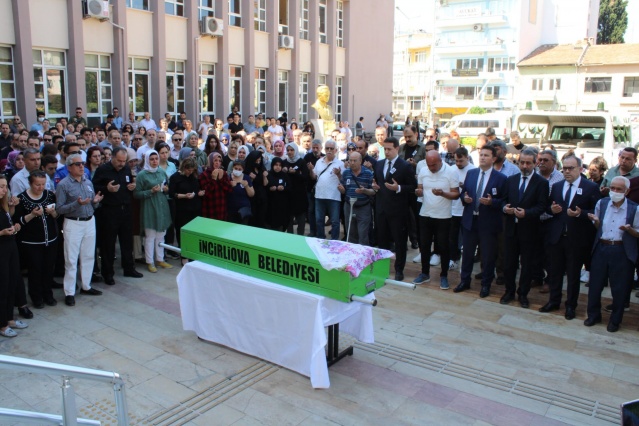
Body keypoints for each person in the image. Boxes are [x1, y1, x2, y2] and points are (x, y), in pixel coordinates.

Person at [539, 155, 601, 320]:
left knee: (573, 274)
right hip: (557, 236)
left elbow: (597, 211)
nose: (566, 171)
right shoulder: (557, 186)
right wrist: (552, 210)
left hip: (576, 238)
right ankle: (554, 301)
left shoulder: (590, 187)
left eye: (570, 168)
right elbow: (549, 206)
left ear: (580, 169)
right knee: (555, 272)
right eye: (564, 168)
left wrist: (581, 214)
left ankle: (571, 306)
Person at [584, 176, 638, 332]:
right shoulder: (602, 203)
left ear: (626, 191)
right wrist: (596, 221)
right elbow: (599, 226)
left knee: (619, 288)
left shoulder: (634, 208)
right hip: (601, 247)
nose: (614, 191)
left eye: (619, 189)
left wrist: (629, 230)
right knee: (595, 285)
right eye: (612, 188)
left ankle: (615, 320)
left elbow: (637, 232)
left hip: (621, 250)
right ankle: (593, 315)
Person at [454, 145, 507, 298]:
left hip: (488, 223)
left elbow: (504, 201)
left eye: (486, 155)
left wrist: (492, 202)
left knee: (488, 256)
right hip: (470, 220)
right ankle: (464, 280)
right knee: (467, 254)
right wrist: (464, 198)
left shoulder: (501, 178)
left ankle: (486, 284)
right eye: (481, 155)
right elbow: (464, 192)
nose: (482, 157)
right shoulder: (471, 173)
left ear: (494, 158)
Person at [499, 149, 549, 308]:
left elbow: (542, 206)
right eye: (522, 162)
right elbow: (503, 200)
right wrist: (505, 208)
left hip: (529, 230)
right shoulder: (511, 180)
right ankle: (509, 291)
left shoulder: (541, 183)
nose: (525, 166)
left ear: (535, 163)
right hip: (510, 229)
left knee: (527, 265)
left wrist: (527, 213)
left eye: (528, 163)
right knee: (509, 263)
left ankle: (523, 294)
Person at [55, 154, 104, 306]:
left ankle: (86, 285)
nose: (82, 166)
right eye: (77, 164)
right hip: (73, 223)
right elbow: (59, 209)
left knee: (88, 256)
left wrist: (95, 202)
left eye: (82, 163)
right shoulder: (63, 185)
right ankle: (69, 292)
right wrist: (77, 204)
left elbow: (92, 203)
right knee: (71, 259)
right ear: (69, 168)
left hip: (89, 221)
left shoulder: (87, 182)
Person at [92, 146, 144, 284]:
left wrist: (132, 185)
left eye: (124, 161)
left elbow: (129, 182)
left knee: (127, 241)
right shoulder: (103, 170)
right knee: (108, 243)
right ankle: (108, 273)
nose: (122, 163)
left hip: (126, 209)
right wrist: (106, 189)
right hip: (109, 211)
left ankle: (129, 268)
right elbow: (94, 187)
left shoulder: (126, 169)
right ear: (112, 157)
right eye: (119, 161)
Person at [372, 136, 417, 281]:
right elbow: (377, 181)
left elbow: (413, 187)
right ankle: (382, 268)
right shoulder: (379, 164)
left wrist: (398, 188)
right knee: (382, 240)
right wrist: (375, 186)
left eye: (389, 149)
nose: (387, 152)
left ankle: (399, 269)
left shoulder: (405, 166)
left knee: (400, 241)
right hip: (381, 209)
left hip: (398, 211)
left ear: (397, 148)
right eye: (385, 149)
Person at [413, 150, 459, 289]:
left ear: (440, 161)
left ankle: (443, 275)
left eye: (434, 165)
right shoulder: (423, 170)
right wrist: (418, 192)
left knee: (443, 247)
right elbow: (420, 188)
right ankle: (424, 273)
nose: (431, 168)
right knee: (424, 245)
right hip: (425, 213)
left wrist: (443, 193)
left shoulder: (451, 172)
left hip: (443, 215)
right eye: (429, 165)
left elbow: (456, 194)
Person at [13, 170, 59, 308]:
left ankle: (48, 294)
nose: (40, 187)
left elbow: (56, 216)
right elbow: (18, 221)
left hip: (50, 240)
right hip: (31, 242)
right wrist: (32, 215)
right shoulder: (22, 198)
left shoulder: (49, 195)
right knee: (35, 270)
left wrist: (53, 212)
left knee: (48, 269)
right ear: (30, 183)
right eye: (37, 185)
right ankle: (36, 297)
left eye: (43, 184)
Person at [133, 150, 173, 273]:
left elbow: (167, 187)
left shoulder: (161, 171)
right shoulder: (142, 175)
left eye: (156, 158)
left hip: (162, 205)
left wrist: (166, 189)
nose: (155, 161)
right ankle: (150, 261)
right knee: (150, 236)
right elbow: (136, 194)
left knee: (161, 234)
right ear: (147, 160)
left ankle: (160, 259)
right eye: (151, 159)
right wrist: (151, 191)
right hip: (149, 206)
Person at [0, 174, 29, 337]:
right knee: (3, 285)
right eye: (1, 187)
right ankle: (2, 324)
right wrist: (2, 232)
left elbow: (8, 220)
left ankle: (9, 318)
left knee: (13, 281)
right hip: (1, 250)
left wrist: (14, 227)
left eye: (5, 186)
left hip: (10, 246)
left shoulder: (3, 205)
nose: (4, 190)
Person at [169, 158, 204, 265]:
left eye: (192, 170)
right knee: (182, 233)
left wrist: (198, 193)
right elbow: (171, 194)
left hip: (194, 208)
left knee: (193, 232)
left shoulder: (193, 176)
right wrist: (184, 196)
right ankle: (184, 256)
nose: (190, 172)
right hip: (182, 210)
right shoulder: (175, 177)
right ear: (184, 167)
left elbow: (196, 189)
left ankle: (193, 254)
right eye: (188, 170)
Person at [310, 139, 345, 240]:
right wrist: (310, 170)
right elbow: (314, 177)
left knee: (335, 221)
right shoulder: (319, 162)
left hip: (334, 196)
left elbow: (343, 181)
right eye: (327, 148)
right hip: (319, 195)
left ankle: (334, 241)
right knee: (319, 220)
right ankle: (321, 238)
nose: (329, 150)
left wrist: (338, 174)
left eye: (331, 148)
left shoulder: (340, 164)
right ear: (324, 149)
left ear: (336, 150)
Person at [337, 151, 374, 245]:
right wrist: (341, 189)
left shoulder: (368, 173)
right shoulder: (346, 173)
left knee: (363, 234)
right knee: (350, 232)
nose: (352, 163)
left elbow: (373, 191)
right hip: (349, 206)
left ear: (360, 161)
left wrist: (364, 190)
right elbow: (344, 190)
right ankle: (351, 252)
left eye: (355, 161)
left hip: (363, 208)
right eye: (350, 160)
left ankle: (363, 252)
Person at [283, 143, 309, 235]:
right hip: (288, 196)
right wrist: (283, 171)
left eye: (292, 150)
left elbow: (305, 177)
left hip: (300, 195)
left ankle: (300, 238)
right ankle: (290, 239)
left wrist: (295, 173)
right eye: (288, 150)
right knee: (289, 220)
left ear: (296, 150)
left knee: (301, 220)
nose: (290, 152)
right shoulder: (284, 162)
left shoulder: (301, 162)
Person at [200, 152, 232, 221]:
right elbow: (206, 192)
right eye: (215, 160)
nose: (218, 163)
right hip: (210, 206)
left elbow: (229, 189)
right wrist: (213, 179)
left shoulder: (223, 173)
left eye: (220, 161)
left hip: (221, 206)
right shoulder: (204, 174)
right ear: (210, 161)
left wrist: (221, 179)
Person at [244, 150, 268, 228]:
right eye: (256, 160)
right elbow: (247, 184)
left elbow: (265, 184)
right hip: (252, 198)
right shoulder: (247, 170)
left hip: (262, 197)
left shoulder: (261, 168)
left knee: (261, 218)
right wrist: (251, 179)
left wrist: (264, 176)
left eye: (259, 160)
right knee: (252, 219)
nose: (258, 162)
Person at [267, 157, 291, 231]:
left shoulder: (284, 175)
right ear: (272, 165)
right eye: (276, 165)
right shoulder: (268, 175)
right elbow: (264, 187)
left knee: (280, 223)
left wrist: (283, 188)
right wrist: (270, 189)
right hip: (270, 204)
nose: (278, 167)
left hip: (281, 204)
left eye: (280, 165)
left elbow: (290, 187)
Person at [227, 160, 254, 224]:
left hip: (243, 210)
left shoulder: (246, 178)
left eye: (239, 169)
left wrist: (246, 186)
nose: (237, 170)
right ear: (232, 168)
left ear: (243, 170)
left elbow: (252, 194)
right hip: (231, 209)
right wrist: (230, 186)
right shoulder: (228, 177)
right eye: (236, 168)